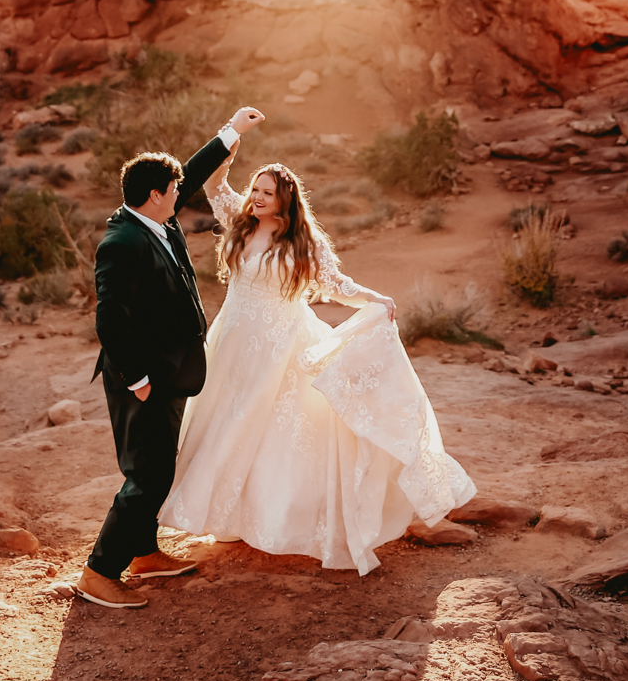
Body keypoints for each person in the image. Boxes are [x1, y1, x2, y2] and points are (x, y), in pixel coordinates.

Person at [160, 154, 476, 575]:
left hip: (281, 346)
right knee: (226, 422)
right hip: (232, 341)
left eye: (266, 193)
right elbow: (215, 186)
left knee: (277, 429)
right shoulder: (241, 222)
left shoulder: (303, 244)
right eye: (255, 189)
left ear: (284, 201)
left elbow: (335, 284)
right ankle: (232, 516)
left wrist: (374, 299)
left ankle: (281, 519)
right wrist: (231, 141)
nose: (255, 197)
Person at [72, 105, 265, 610]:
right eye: (174, 190)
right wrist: (136, 378)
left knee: (159, 465)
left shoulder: (154, 214)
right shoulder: (121, 242)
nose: (182, 194)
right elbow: (110, 319)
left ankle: (142, 552)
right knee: (148, 474)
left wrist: (231, 132)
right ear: (155, 195)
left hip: (169, 371)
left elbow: (190, 172)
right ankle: (98, 571)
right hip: (142, 377)